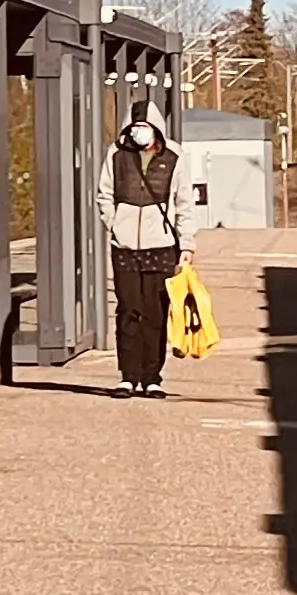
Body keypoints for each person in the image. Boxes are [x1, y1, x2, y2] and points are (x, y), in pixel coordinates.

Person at [104, 106, 185, 396]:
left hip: (161, 247)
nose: (139, 131)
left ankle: (152, 377)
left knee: (155, 313)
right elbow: (104, 194)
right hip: (124, 247)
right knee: (128, 310)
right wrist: (115, 225)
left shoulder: (173, 156)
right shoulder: (117, 155)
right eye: (135, 126)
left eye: (145, 126)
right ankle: (128, 376)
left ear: (156, 129)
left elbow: (184, 203)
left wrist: (187, 244)